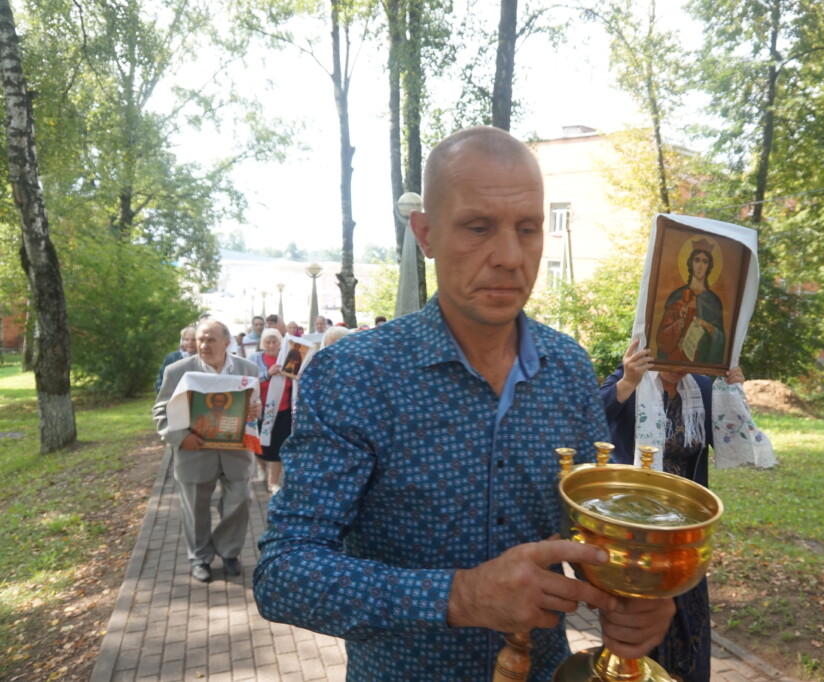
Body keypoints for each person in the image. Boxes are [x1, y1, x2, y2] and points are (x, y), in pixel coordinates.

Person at [253, 126, 675, 681]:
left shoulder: (567, 367)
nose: (508, 256)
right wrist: (459, 595)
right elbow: (284, 573)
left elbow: (586, 531)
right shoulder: (356, 374)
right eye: (478, 227)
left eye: (528, 229)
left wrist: (632, 595)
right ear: (425, 233)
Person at [600, 338, 744, 682]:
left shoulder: (704, 388)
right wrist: (627, 383)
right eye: (673, 351)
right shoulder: (630, 376)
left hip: (685, 527)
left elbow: (729, 438)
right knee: (641, 616)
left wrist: (732, 394)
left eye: (689, 354)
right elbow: (592, 417)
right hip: (637, 528)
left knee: (688, 614)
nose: (681, 362)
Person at [153, 320, 261, 583]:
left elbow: (254, 406)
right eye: (200, 339)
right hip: (194, 452)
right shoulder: (178, 371)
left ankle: (229, 551)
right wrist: (179, 437)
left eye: (211, 339)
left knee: (240, 501)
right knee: (195, 509)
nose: (203, 345)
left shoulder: (247, 368)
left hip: (236, 454)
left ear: (227, 342)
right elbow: (160, 411)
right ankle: (199, 558)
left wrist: (254, 410)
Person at [655, 239, 726, 365]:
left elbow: (720, 339)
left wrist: (708, 326)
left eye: (705, 261)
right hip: (674, 360)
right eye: (697, 260)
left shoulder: (713, 301)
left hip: (700, 364)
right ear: (690, 263)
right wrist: (679, 323)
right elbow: (662, 338)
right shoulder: (676, 296)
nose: (700, 266)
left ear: (709, 266)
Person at [251, 328, 291, 494]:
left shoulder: (288, 358)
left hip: (283, 410)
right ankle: (261, 467)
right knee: (260, 446)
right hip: (261, 411)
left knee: (278, 447)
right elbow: (250, 380)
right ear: (263, 343)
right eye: (268, 342)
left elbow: (297, 378)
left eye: (275, 341)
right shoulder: (255, 358)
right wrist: (268, 373)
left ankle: (272, 482)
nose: (271, 345)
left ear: (280, 343)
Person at [155, 325, 196, 393]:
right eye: (186, 339)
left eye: (193, 340)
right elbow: (160, 380)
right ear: (181, 341)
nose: (190, 343)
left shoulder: (204, 358)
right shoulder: (172, 357)